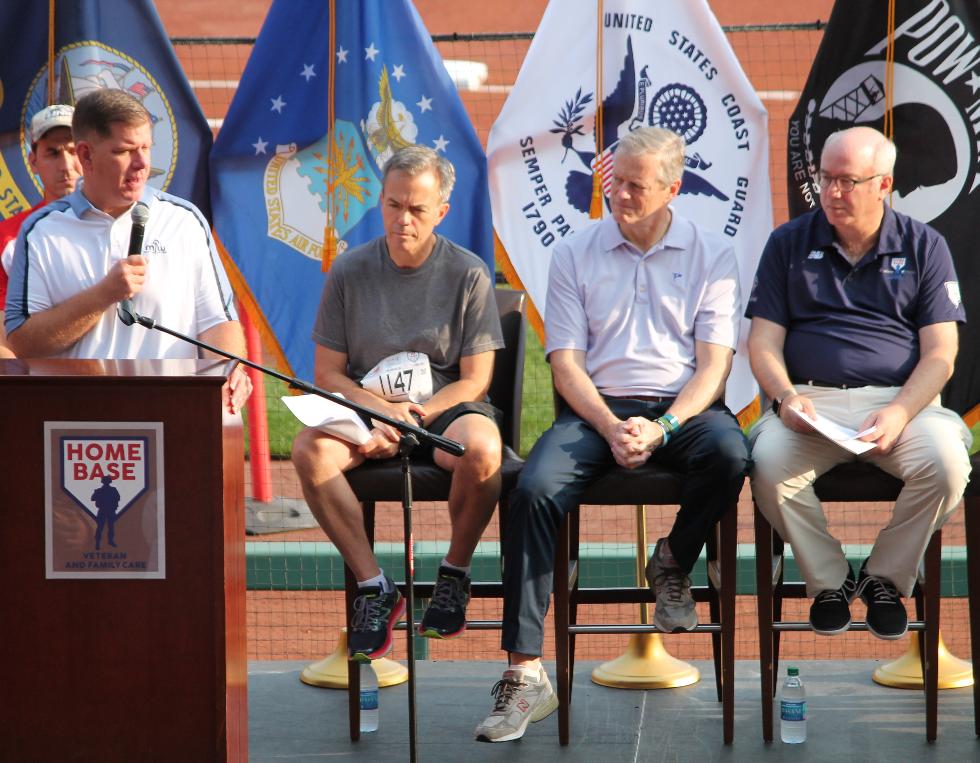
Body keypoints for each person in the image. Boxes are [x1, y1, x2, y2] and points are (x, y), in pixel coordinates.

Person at [475, 127, 750, 743]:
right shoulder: (575, 250)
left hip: (683, 411)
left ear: (673, 188)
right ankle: (523, 671)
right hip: (597, 411)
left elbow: (715, 367)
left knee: (732, 454)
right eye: (614, 181)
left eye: (636, 185)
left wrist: (664, 426)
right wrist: (609, 425)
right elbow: (566, 363)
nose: (620, 194)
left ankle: (673, 560)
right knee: (532, 486)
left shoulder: (712, 252)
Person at [747, 126, 972, 641]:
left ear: (883, 184)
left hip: (903, 404)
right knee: (766, 465)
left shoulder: (925, 245)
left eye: (847, 181)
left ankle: (883, 579)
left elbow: (941, 355)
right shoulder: (787, 243)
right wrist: (786, 398)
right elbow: (761, 343)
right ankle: (829, 580)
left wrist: (899, 412)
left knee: (946, 463)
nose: (831, 192)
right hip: (810, 401)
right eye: (825, 178)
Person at [290, 145, 505, 662]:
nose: (402, 219)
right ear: (380, 201)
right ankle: (375, 587)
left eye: (417, 209)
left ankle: (453, 574)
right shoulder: (350, 270)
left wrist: (416, 418)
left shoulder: (469, 274)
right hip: (365, 409)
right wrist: (374, 410)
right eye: (393, 205)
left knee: (483, 451)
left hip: (442, 407)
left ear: (441, 213)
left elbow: (475, 379)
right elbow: (327, 373)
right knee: (308, 450)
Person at [4, 89, 250, 412]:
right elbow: (24, 342)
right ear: (86, 156)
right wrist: (104, 294)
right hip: (76, 420)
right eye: (124, 151)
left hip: (173, 415)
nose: (142, 163)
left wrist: (231, 368)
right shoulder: (41, 232)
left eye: (146, 147)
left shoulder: (185, 222)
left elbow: (218, 321)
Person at [0, 103, 83, 357]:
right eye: (53, 153)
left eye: (73, 151)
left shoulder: (120, 224)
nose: (66, 165)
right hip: (36, 379)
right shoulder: (8, 236)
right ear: (33, 162)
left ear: (88, 155)